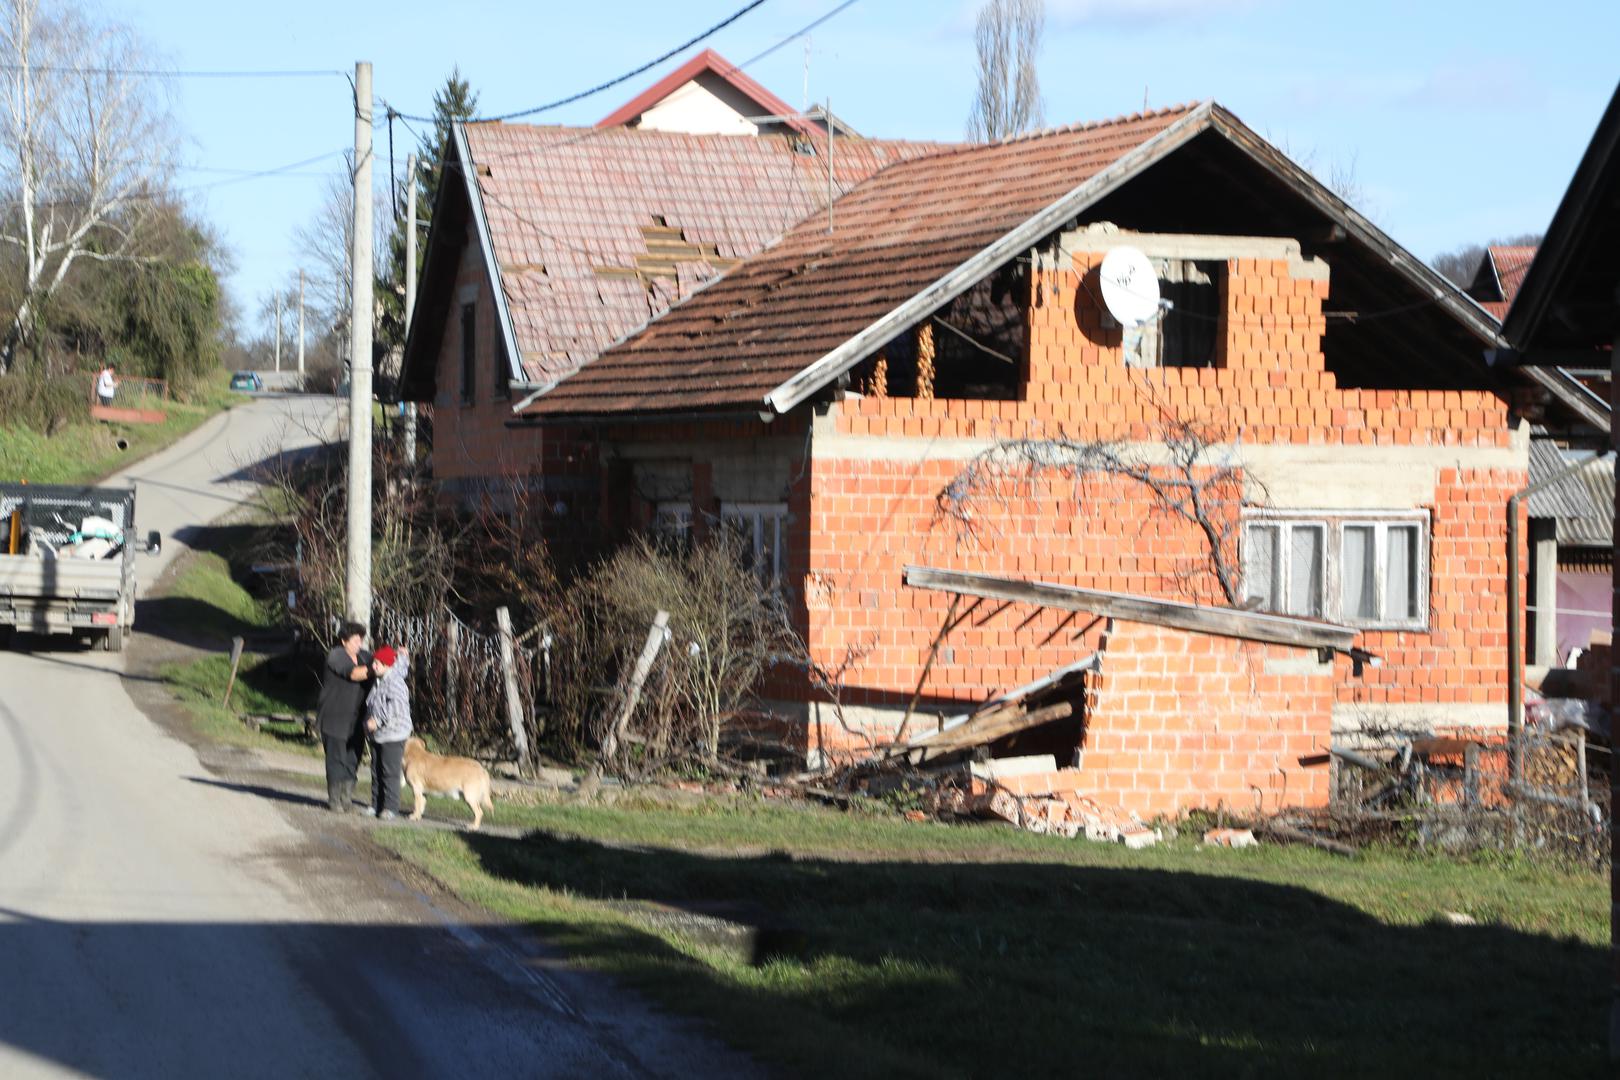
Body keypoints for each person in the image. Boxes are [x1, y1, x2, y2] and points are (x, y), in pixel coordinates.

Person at [316, 621, 371, 813]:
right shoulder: (336, 656)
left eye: (361, 640)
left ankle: (347, 799)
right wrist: (376, 668)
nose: (359, 644)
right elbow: (354, 675)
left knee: (353, 759)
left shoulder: (365, 657)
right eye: (355, 640)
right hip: (334, 717)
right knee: (336, 759)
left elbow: (382, 663)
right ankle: (334, 800)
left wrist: (392, 658)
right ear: (344, 640)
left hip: (357, 720)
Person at [362, 645, 411, 820]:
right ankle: (376, 804)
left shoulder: (395, 683)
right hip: (379, 734)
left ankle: (390, 807)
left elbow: (396, 708)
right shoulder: (383, 677)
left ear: (386, 665)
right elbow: (399, 666)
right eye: (374, 662)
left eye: (378, 663)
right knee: (375, 770)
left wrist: (377, 720)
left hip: (393, 733)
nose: (374, 666)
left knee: (389, 771)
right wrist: (403, 656)